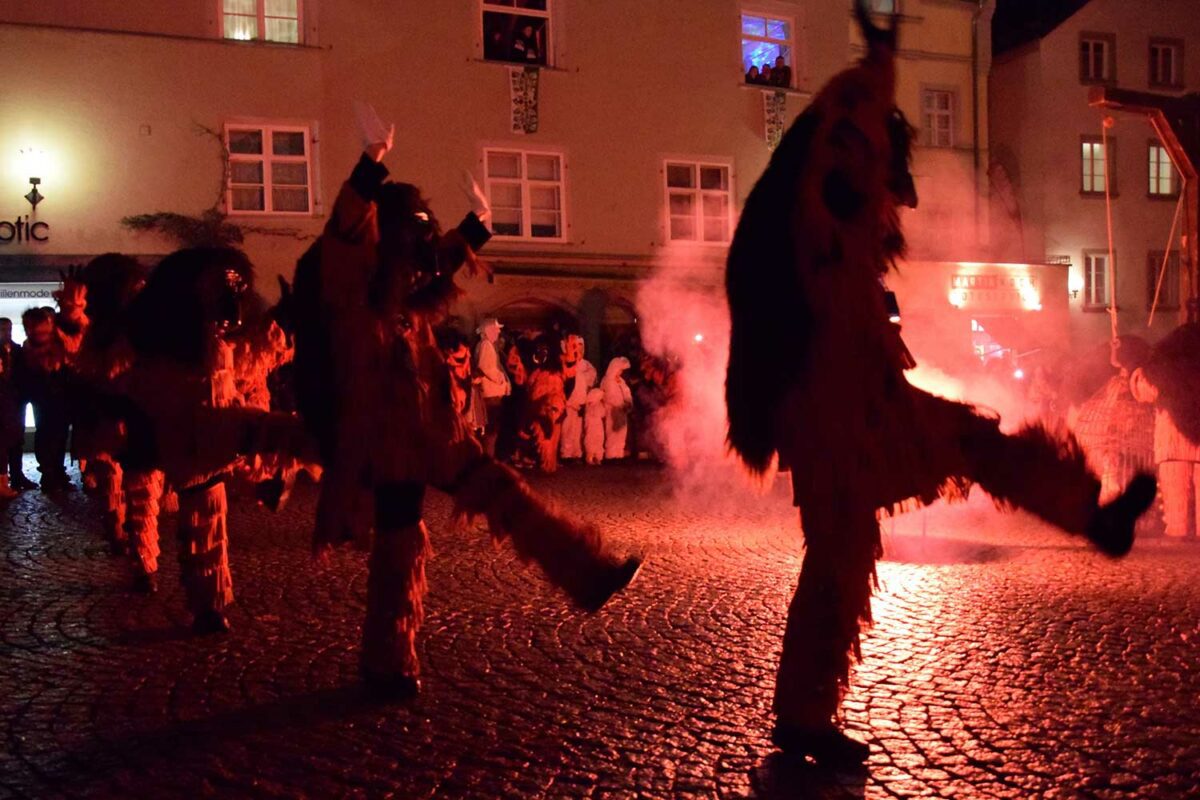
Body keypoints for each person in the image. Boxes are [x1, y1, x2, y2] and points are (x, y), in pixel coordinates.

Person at [724, 0, 1156, 765]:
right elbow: (838, 123)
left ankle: (1095, 519)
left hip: (871, 407)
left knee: (972, 445)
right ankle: (800, 719)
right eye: (889, 184)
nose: (898, 204)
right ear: (864, 170)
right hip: (829, 422)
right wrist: (876, 69)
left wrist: (882, 66)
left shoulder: (848, 234)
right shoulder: (818, 217)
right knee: (837, 559)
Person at [289, 104, 640, 697]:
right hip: (384, 439)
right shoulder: (349, 284)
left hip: (435, 430)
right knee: (399, 546)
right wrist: (370, 166)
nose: (419, 256)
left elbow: (440, 259)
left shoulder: (404, 295)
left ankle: (586, 573)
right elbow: (347, 232)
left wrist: (478, 222)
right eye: (408, 240)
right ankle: (387, 663)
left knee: (502, 488)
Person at [1131, 324, 1200, 540]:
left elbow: (1142, 394)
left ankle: (1178, 540)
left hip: (1171, 446)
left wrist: (1136, 372)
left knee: (1176, 512)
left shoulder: (1156, 372)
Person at [0, 319, 33, 490]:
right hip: (3, 402)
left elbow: (25, 376)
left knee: (16, 440)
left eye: (9, 329)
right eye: (3, 329)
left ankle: (17, 476)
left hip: (16, 402)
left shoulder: (18, 351)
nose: (7, 333)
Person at [474, 317, 510, 456]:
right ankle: (489, 458)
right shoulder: (486, 345)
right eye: (495, 330)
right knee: (491, 431)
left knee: (491, 430)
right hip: (491, 396)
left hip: (492, 395)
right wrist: (501, 379)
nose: (498, 333)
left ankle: (488, 457)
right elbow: (486, 367)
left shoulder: (486, 345)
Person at [559, 334, 597, 461]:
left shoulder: (586, 365)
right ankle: (566, 454)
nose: (579, 348)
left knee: (578, 430)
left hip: (581, 404)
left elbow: (590, 381)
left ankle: (576, 453)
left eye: (581, 345)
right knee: (567, 429)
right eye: (576, 345)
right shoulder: (565, 362)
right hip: (568, 403)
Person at [601, 357, 633, 460]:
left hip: (622, 412)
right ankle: (611, 455)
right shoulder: (607, 380)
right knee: (612, 433)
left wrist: (628, 403)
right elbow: (609, 396)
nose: (621, 372)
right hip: (612, 411)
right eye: (620, 370)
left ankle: (619, 454)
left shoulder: (621, 381)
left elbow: (627, 393)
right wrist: (620, 404)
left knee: (621, 433)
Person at [584, 387, 607, 466]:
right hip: (591, 423)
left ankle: (598, 457)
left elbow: (603, 414)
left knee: (599, 439)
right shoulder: (591, 404)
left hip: (598, 423)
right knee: (590, 439)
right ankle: (590, 457)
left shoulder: (599, 404)